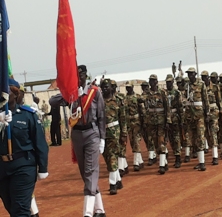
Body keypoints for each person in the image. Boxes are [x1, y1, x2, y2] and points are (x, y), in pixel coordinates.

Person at [49, 65, 106, 217]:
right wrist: (69, 93)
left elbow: (101, 116)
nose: (79, 79)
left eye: (81, 76)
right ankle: (99, 209)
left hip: (92, 133)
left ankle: (87, 212)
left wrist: (102, 138)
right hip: (77, 135)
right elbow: (52, 101)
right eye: (76, 76)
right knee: (85, 173)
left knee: (90, 170)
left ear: (85, 76)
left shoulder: (95, 92)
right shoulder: (71, 94)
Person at [0, 78, 49, 217]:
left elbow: (40, 143)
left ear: (15, 94)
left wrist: (43, 167)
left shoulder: (28, 115)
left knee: (20, 209)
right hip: (2, 168)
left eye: (7, 92)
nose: (3, 96)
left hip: (23, 166)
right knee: (11, 207)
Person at [100, 78, 127, 194]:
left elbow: (123, 119)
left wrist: (124, 133)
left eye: (107, 87)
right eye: (103, 87)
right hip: (101, 132)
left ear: (112, 88)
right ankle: (118, 180)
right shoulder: (98, 101)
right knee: (107, 157)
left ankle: (112, 184)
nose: (105, 88)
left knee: (112, 156)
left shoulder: (118, 101)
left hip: (114, 131)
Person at [184, 67, 209, 171]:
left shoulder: (201, 84)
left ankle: (202, 163)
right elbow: (186, 99)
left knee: (200, 137)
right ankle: (199, 161)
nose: (190, 76)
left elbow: (205, 99)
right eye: (188, 74)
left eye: (191, 74)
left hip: (199, 115)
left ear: (195, 74)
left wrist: (207, 113)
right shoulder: (187, 85)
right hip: (190, 115)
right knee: (192, 138)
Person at [145, 74, 171, 174]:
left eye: (153, 81)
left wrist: (168, 120)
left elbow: (167, 107)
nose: (151, 82)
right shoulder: (147, 93)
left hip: (161, 121)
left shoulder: (162, 92)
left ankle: (161, 166)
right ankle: (164, 163)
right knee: (156, 143)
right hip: (151, 121)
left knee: (161, 142)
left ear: (156, 82)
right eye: (150, 81)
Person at [165, 74, 184, 168]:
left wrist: (182, 119)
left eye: (170, 82)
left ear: (173, 82)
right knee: (171, 139)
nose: (168, 84)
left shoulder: (177, 93)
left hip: (175, 117)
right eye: (167, 82)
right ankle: (174, 153)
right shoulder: (163, 93)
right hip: (166, 119)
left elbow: (180, 107)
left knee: (176, 138)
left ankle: (178, 158)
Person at [125, 81, 144, 172]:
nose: (127, 89)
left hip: (136, 121)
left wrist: (143, 121)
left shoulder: (137, 97)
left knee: (136, 141)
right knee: (132, 142)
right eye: (126, 87)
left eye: (129, 87)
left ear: (132, 87)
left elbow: (142, 109)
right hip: (129, 122)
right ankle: (140, 161)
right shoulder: (124, 99)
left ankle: (136, 162)